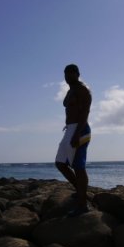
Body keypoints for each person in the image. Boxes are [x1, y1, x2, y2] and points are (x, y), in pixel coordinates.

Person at [55, 64, 92, 216]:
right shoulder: (71, 90)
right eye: (66, 74)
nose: (67, 77)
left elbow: (85, 113)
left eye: (71, 74)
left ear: (77, 74)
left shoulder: (83, 90)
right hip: (70, 129)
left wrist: (77, 133)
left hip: (80, 130)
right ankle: (80, 191)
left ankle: (82, 204)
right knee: (60, 163)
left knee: (78, 166)